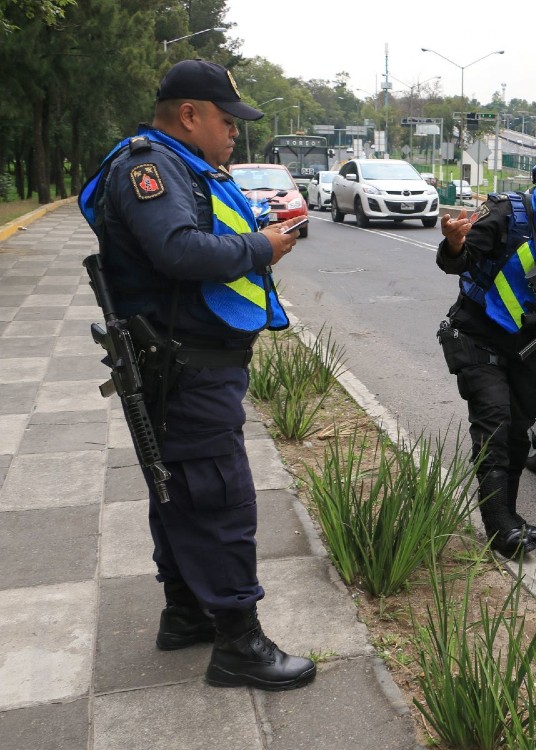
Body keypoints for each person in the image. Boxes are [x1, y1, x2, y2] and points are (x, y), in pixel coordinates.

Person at [77, 59, 315, 691]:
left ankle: (185, 613)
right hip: (185, 369)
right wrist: (263, 247)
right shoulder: (148, 168)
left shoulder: (179, 166)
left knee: (178, 491)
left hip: (186, 364)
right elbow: (178, 250)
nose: (234, 132)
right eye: (226, 120)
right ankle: (240, 643)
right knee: (218, 496)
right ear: (190, 115)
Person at [437, 148, 536, 558]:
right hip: (476, 338)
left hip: (524, 348)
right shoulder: (506, 215)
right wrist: (454, 244)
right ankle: (498, 526)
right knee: (494, 424)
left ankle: (508, 516)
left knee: (519, 428)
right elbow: (459, 261)